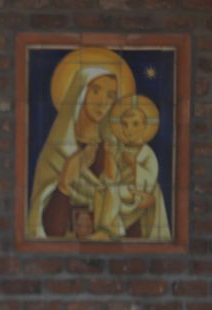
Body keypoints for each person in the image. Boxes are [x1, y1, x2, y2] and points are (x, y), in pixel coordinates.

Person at [26, 47, 136, 239]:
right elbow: (47, 229)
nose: (103, 102)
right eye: (95, 91)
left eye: (111, 96)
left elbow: (133, 220)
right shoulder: (56, 152)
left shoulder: (115, 150)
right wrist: (64, 182)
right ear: (79, 93)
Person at [92, 95, 169, 241]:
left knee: (114, 192)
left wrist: (133, 163)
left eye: (135, 124)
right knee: (101, 191)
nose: (129, 130)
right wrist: (109, 155)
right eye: (125, 124)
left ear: (144, 127)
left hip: (141, 192)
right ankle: (103, 229)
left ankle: (109, 230)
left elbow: (150, 178)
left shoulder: (147, 152)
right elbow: (111, 177)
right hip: (125, 191)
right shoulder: (120, 151)